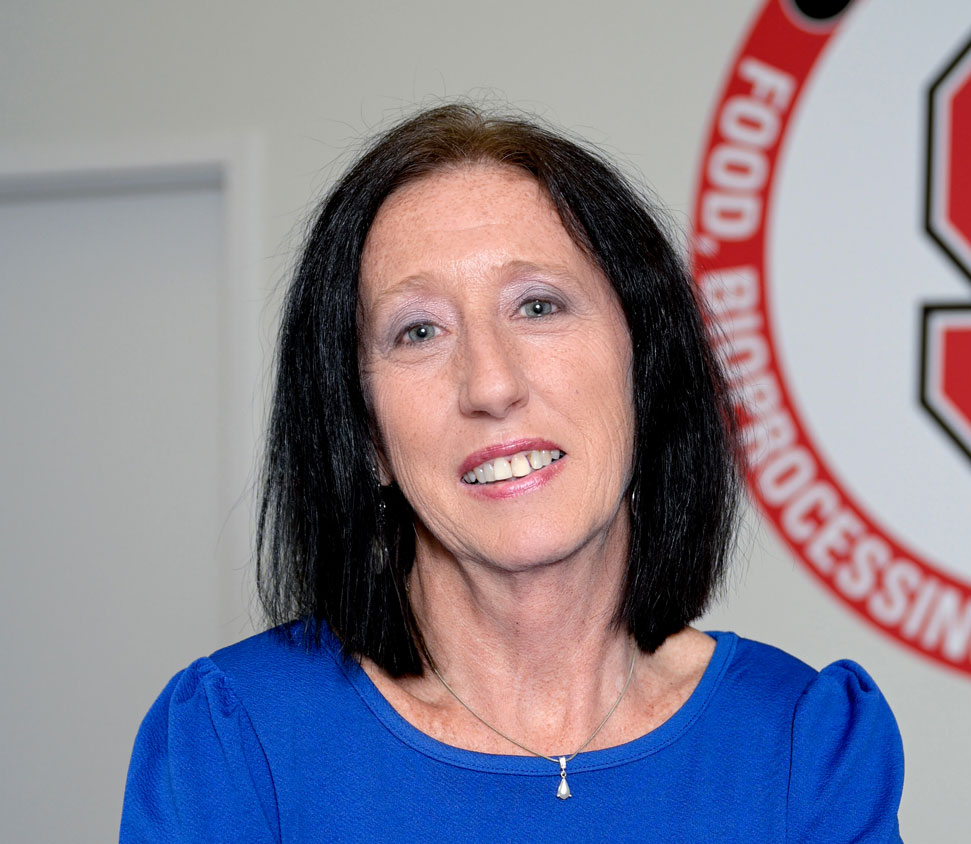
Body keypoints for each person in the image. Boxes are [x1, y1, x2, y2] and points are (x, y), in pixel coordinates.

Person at [119, 103, 904, 842]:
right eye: (418, 330)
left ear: (646, 366)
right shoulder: (236, 741)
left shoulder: (804, 745)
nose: (491, 385)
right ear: (364, 434)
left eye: (538, 306)